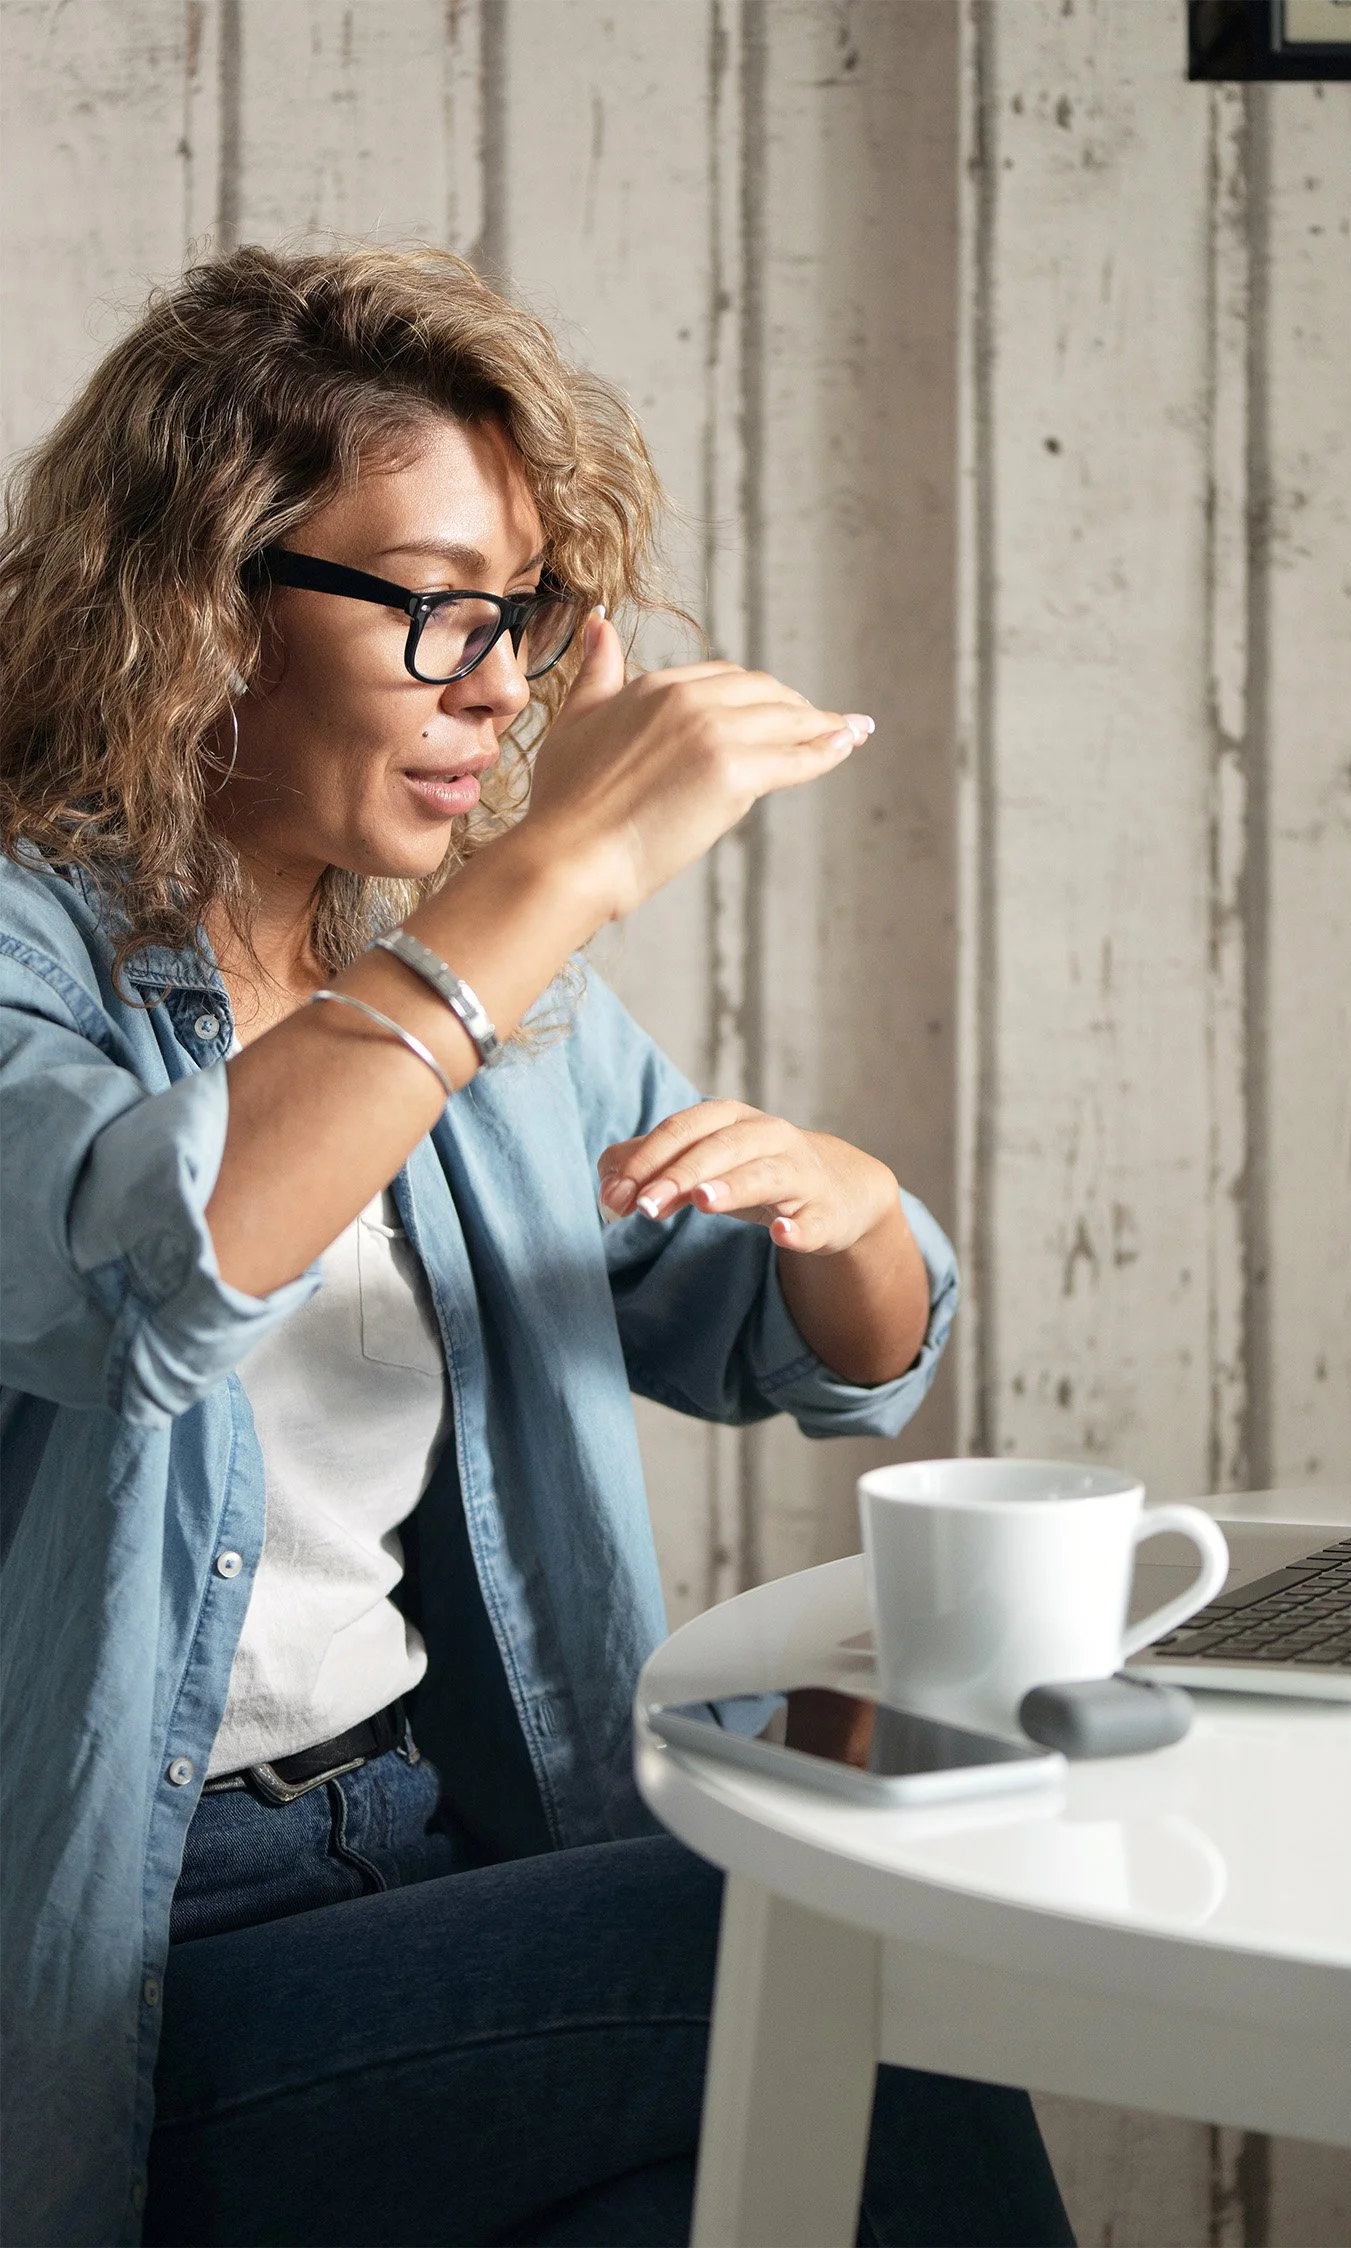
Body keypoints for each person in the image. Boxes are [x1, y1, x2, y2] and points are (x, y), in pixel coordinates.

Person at [0, 244, 1073, 2248]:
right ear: (198, 606)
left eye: (515, 611)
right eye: (426, 605)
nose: (492, 683)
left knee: (749, 2179)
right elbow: (168, 1274)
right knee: (813, 1934)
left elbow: (834, 1355)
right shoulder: (35, 963)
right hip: (111, 1947)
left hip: (424, 1851)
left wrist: (842, 1205)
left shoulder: (456, 997)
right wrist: (553, 868)